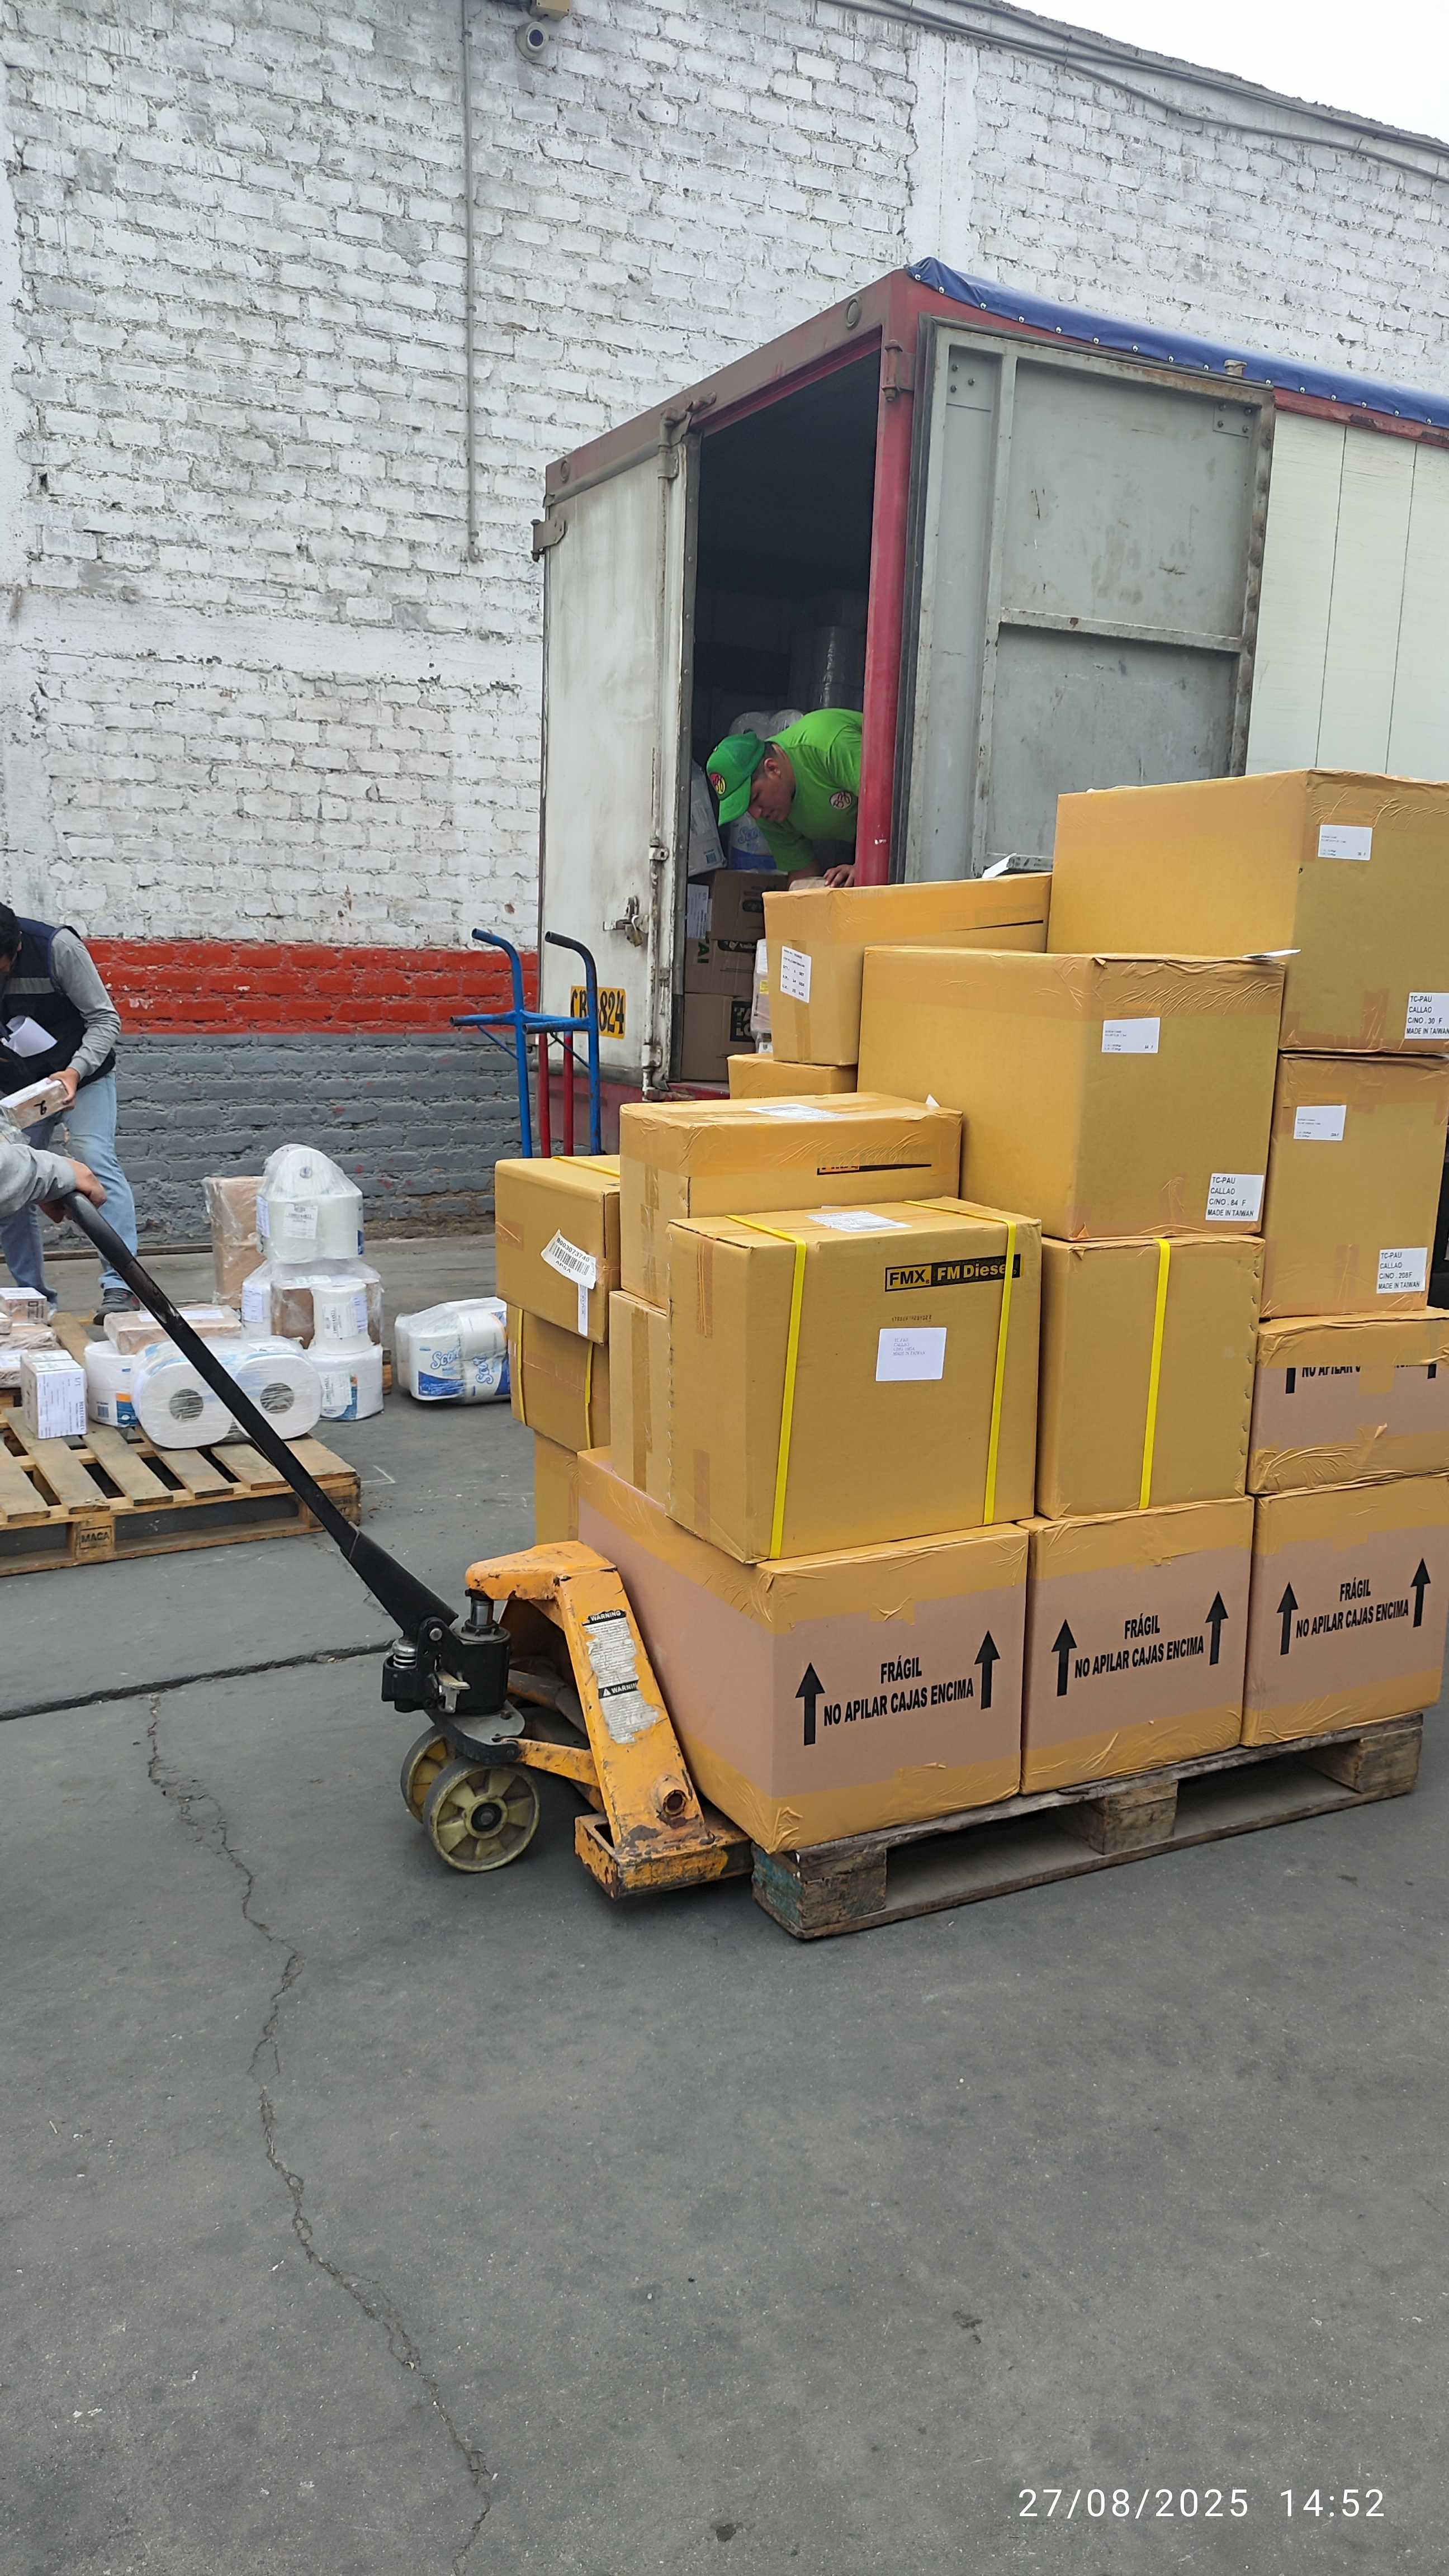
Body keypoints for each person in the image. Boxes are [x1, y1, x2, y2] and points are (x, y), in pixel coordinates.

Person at [0, 907, 140, 1316]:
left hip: (82, 1075)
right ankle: (33, 1300)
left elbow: (105, 1019)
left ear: (17, 948)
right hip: (19, 1088)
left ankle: (122, 1287)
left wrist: (75, 1072)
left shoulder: (57, 948)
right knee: (10, 1179)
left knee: (94, 1158)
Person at [707, 708, 861, 886]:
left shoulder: (827, 742)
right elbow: (802, 874)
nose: (756, 814)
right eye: (746, 808)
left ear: (773, 768)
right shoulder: (769, 812)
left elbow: (886, 800)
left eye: (755, 797)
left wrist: (864, 866)